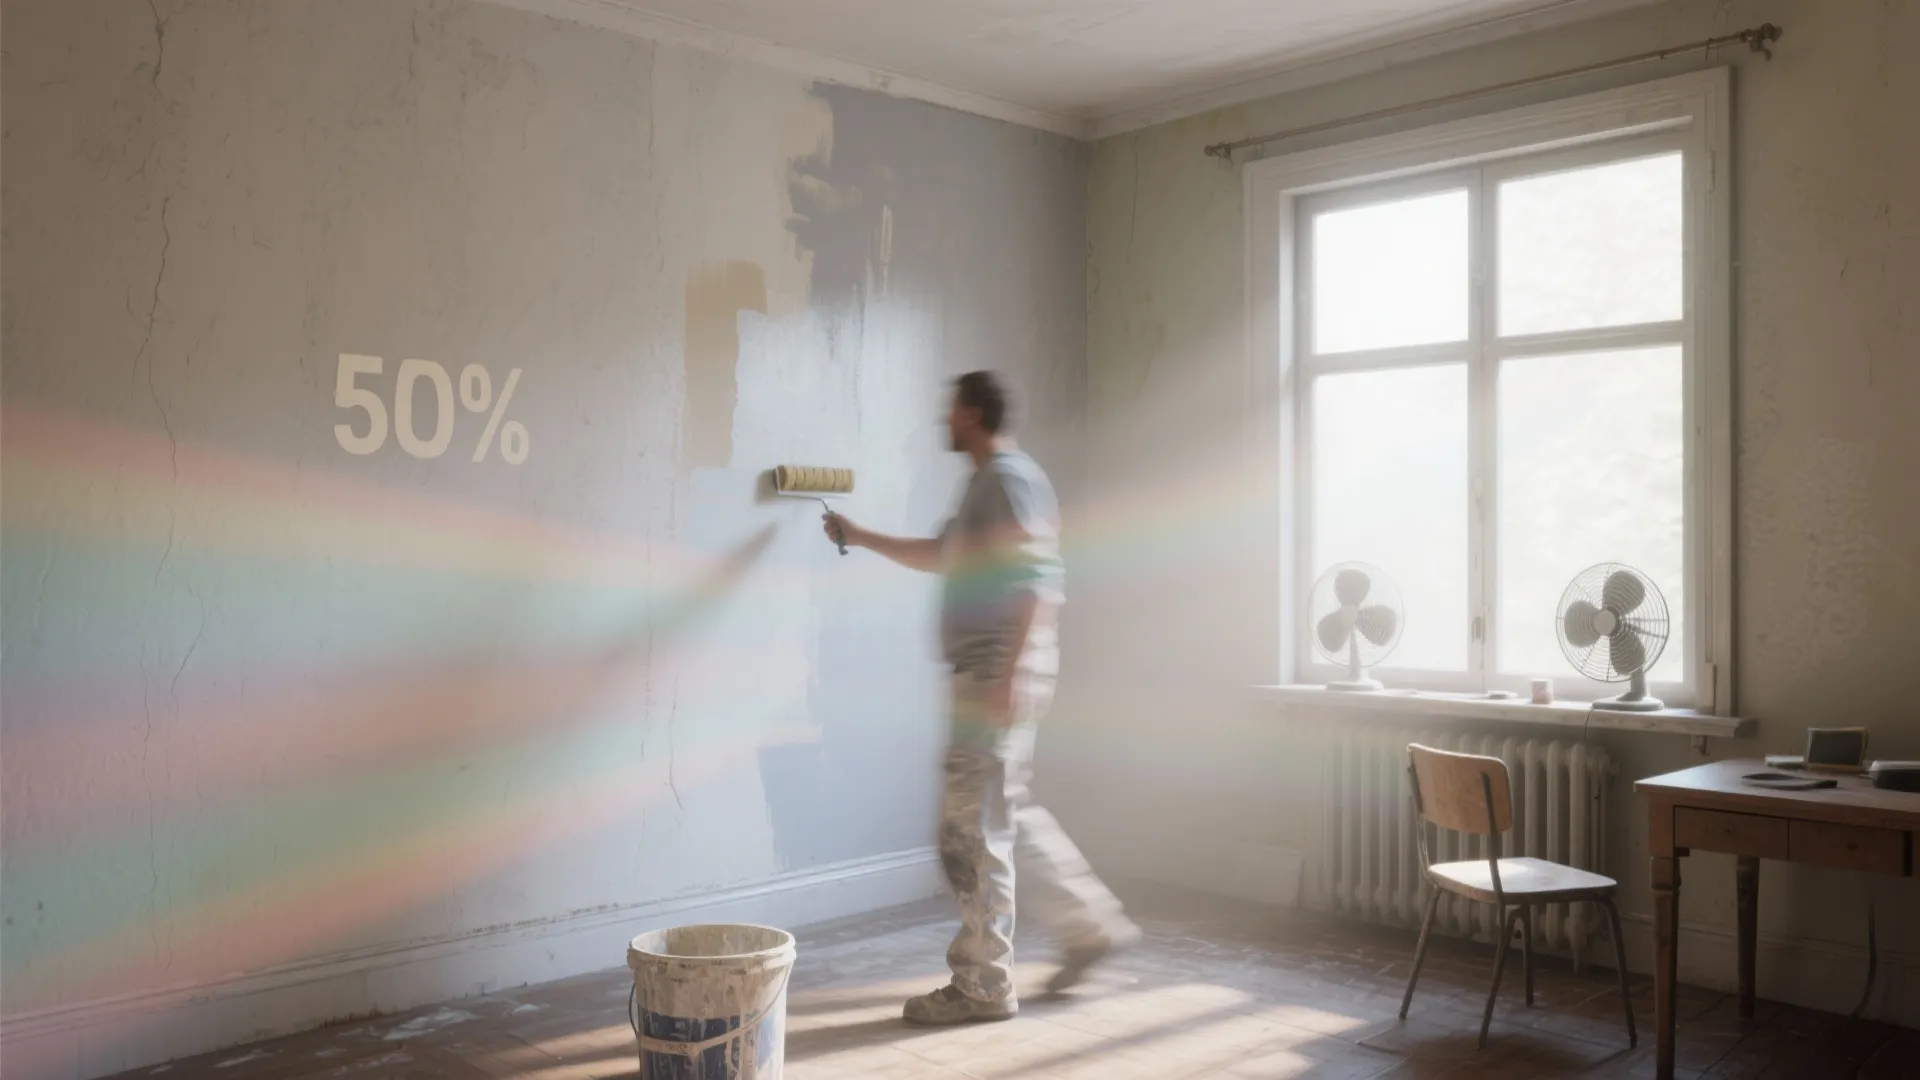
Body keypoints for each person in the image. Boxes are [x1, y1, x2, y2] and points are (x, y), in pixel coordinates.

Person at [823, 370, 1139, 1025]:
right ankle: (1090, 927)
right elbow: (945, 554)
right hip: (990, 671)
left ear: (970, 411)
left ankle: (982, 984)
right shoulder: (986, 484)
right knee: (1003, 815)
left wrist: (1008, 674)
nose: (944, 418)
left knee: (968, 833)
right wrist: (861, 535)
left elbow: (1040, 580)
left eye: (950, 408)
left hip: (996, 671)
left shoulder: (1008, 479)